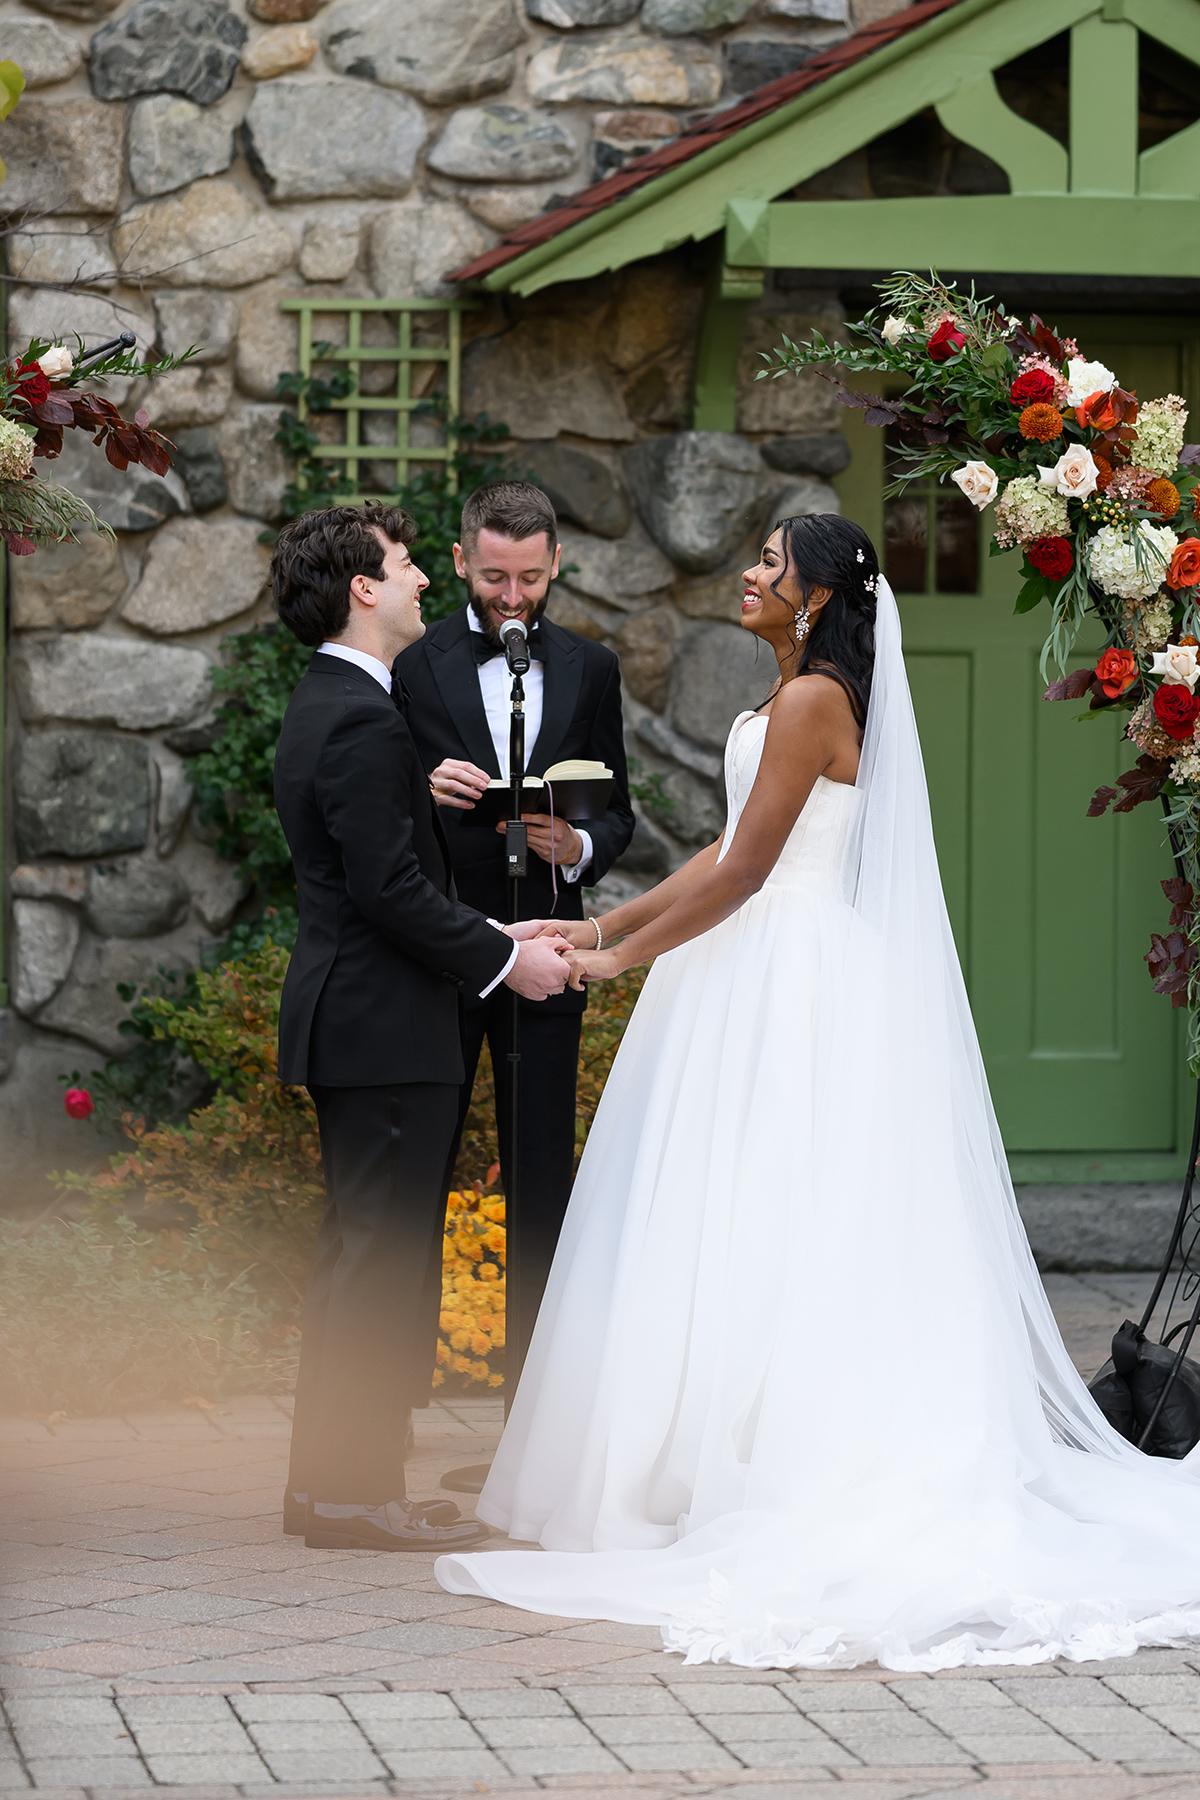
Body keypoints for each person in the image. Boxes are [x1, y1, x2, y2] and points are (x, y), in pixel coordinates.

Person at [437, 512, 1200, 1669]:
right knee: (733, 1218)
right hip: (751, 965)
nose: (747, 574)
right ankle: (707, 1456)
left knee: (773, 1215)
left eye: (768, 564)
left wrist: (611, 963)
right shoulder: (789, 695)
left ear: (818, 595)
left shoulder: (809, 704)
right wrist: (599, 916)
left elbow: (748, 873)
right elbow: (720, 851)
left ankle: (764, 1460)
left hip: (787, 977)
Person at [272, 503, 570, 1553]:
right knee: (381, 1263)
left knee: (364, 1257)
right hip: (382, 1027)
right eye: (404, 566)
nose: (420, 583)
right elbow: (387, 889)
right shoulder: (361, 714)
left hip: (369, 1019)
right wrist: (506, 960)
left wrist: (495, 922)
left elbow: (381, 885)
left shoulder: (341, 699)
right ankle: (354, 1495)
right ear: (363, 587)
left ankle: (333, 1488)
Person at [397, 481, 635, 1374]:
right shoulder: (413, 665)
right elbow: (374, 809)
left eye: (529, 577)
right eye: (494, 575)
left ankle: (534, 1404)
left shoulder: (591, 668)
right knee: (423, 1172)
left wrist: (574, 843)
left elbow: (620, 815)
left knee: (543, 1177)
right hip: (440, 953)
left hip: (548, 953)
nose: (511, 596)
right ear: (462, 561)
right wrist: (421, 792)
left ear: (555, 564)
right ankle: (399, 1400)